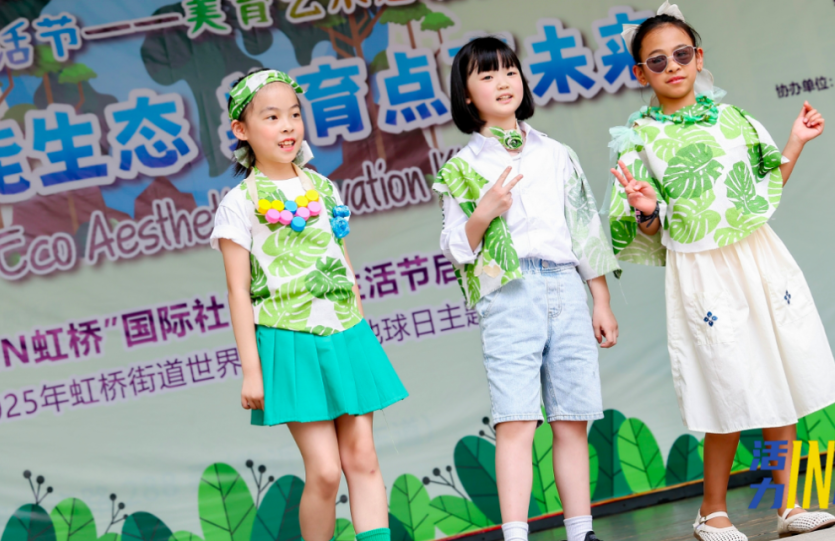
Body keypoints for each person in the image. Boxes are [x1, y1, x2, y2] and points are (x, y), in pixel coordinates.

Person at [607, 2, 835, 540]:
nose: (672, 66)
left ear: (699, 57)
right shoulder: (638, 137)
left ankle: (788, 506)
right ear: (640, 72)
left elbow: (764, 187)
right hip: (702, 270)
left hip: (757, 255)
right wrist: (646, 208)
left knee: (777, 372)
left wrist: (795, 141)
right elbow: (648, 228)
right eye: (657, 60)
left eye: (681, 54)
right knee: (727, 385)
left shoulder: (734, 119)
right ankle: (711, 512)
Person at [433, 37, 619, 541]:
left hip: (566, 286)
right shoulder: (462, 166)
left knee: (572, 418)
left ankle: (581, 532)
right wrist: (484, 212)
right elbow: (456, 247)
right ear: (466, 95)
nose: (503, 82)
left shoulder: (556, 153)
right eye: (487, 75)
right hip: (509, 294)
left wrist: (600, 300)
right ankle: (515, 536)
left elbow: (584, 228)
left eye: (510, 71)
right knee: (516, 420)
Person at [211, 69, 407, 541]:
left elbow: (342, 260)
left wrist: (359, 322)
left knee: (363, 457)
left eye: (294, 115)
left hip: (346, 333)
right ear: (241, 129)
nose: (287, 126)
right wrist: (251, 370)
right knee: (324, 471)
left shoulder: (323, 187)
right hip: (288, 341)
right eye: (271, 117)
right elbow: (238, 292)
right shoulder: (239, 203)